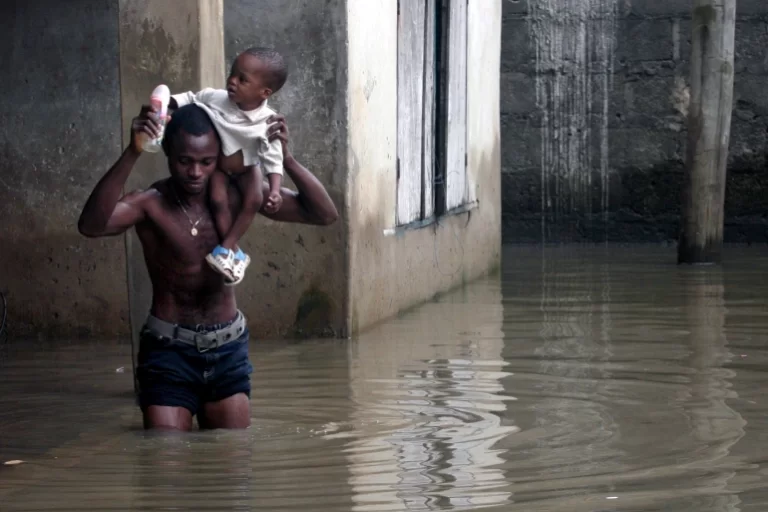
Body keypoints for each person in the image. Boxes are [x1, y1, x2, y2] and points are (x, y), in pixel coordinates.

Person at [77, 103, 338, 431]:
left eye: (206, 162)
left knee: (230, 467)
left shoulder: (235, 197)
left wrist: (285, 159)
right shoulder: (150, 203)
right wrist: (133, 151)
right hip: (168, 351)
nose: (196, 173)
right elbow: (91, 226)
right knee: (165, 461)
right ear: (168, 154)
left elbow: (324, 214)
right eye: (185, 161)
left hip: (227, 349)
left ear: (220, 156)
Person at [168, 47, 288, 286]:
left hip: (248, 167)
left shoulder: (268, 121)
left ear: (265, 92)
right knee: (218, 201)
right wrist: (168, 104)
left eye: (242, 79)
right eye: (232, 74)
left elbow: (273, 158)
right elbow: (192, 97)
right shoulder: (217, 98)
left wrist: (275, 190)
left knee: (253, 200)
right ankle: (232, 251)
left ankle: (226, 246)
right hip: (221, 168)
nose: (232, 81)